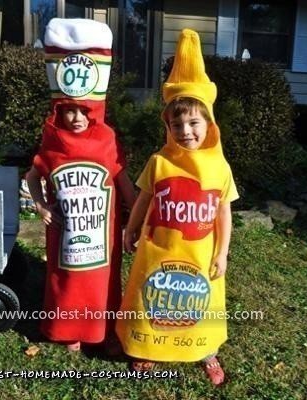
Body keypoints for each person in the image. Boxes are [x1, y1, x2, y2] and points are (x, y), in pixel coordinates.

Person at [115, 29, 239, 385]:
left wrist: (223, 253)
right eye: (177, 124)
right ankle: (148, 348)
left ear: (209, 124)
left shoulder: (220, 167)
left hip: (201, 255)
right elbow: (143, 198)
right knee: (152, 298)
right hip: (159, 249)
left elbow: (224, 211)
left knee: (202, 304)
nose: (185, 130)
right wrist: (131, 227)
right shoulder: (159, 161)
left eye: (193, 122)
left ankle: (205, 351)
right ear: (167, 127)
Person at [27, 18, 135, 353]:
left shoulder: (106, 138)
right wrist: (40, 205)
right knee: (67, 279)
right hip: (65, 231)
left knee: (101, 281)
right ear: (59, 110)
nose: (76, 117)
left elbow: (122, 178)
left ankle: (102, 330)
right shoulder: (52, 140)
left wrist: (135, 214)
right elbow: (33, 175)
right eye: (69, 110)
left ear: (95, 111)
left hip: (102, 232)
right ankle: (68, 330)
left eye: (83, 111)